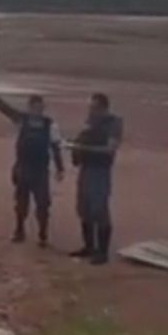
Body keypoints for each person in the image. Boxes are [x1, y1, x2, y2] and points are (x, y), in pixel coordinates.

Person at [0, 87, 65, 247]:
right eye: (35, 107)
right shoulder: (21, 119)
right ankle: (19, 230)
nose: (38, 110)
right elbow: (4, 108)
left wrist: (60, 168)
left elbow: (55, 146)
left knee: (43, 203)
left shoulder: (49, 125)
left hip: (40, 170)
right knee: (21, 202)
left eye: (40, 108)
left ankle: (43, 235)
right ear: (30, 107)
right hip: (23, 167)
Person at [66, 93, 123, 265]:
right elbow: (82, 138)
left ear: (103, 107)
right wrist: (75, 148)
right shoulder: (90, 122)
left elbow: (110, 149)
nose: (91, 111)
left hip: (100, 170)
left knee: (99, 209)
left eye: (94, 107)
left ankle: (102, 251)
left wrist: (83, 147)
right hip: (87, 168)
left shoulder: (113, 123)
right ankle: (89, 246)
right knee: (84, 208)